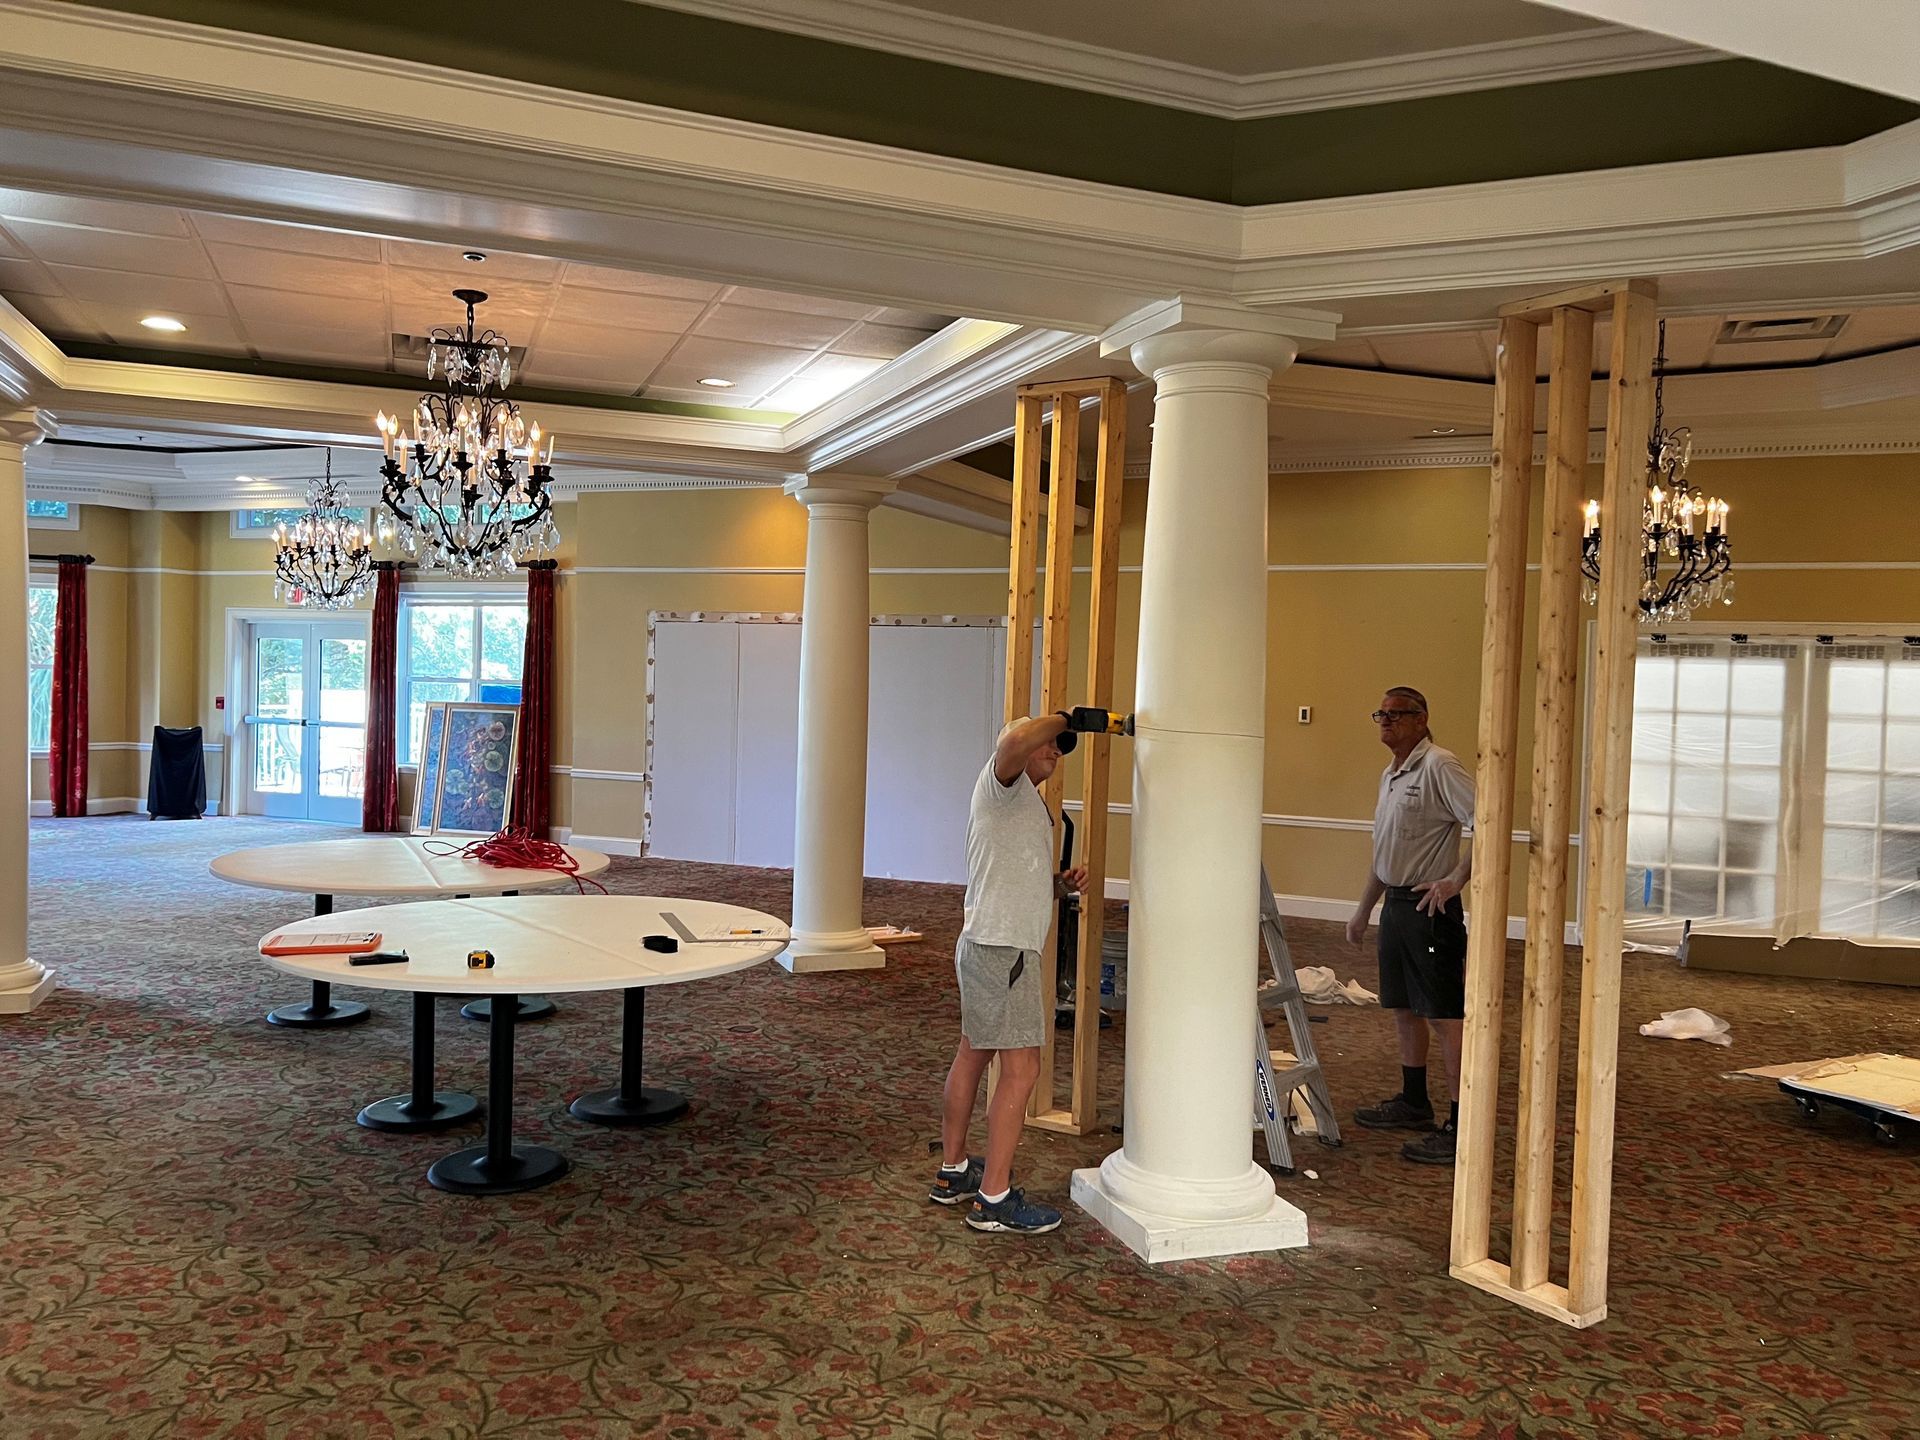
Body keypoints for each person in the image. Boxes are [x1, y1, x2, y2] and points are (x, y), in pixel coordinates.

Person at [933, 710, 1094, 1233]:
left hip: (991, 946)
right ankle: (993, 1199)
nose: (1054, 750)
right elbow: (1019, 738)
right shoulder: (1002, 780)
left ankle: (954, 1171)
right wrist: (1069, 718)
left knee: (973, 1053)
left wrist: (1059, 885)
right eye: (1051, 743)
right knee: (1022, 1070)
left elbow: (1008, 877)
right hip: (1005, 954)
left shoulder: (1024, 803)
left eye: (1062, 745)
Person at [1346, 687, 1476, 1165]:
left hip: (1430, 909)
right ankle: (1414, 1102)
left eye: (1397, 714)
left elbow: (1491, 823)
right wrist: (1364, 911)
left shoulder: (1441, 765)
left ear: (1422, 719)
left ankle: (1462, 1127)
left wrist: (1455, 881)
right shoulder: (1391, 774)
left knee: (1445, 1017)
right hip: (1397, 909)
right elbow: (1386, 853)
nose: (1386, 721)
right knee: (1403, 1009)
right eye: (1381, 713)